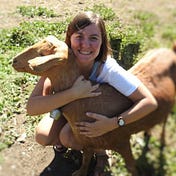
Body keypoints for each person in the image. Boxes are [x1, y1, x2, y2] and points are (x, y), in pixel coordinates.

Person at [26, 11, 158, 175]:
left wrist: (114, 123)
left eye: (93, 38)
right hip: (66, 109)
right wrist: (75, 93)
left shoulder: (108, 69)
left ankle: (101, 152)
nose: (85, 45)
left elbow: (149, 102)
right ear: (69, 37)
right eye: (79, 36)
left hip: (97, 116)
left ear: (102, 42)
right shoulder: (59, 59)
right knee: (43, 136)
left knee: (67, 136)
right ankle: (78, 140)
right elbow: (31, 108)